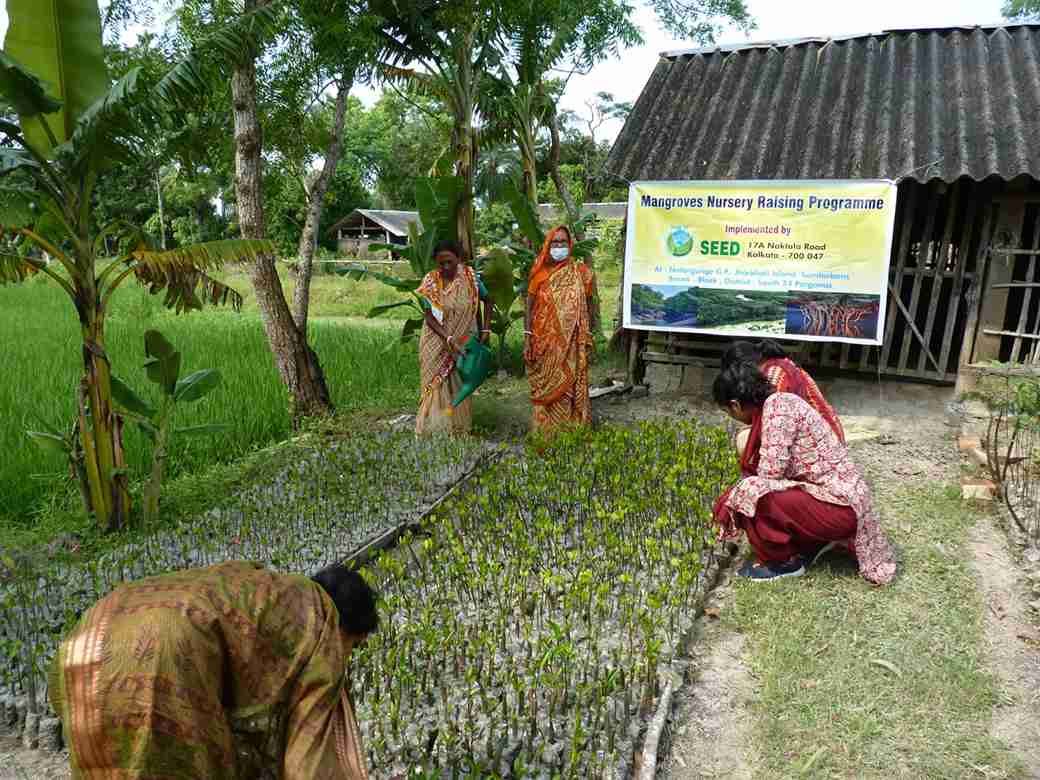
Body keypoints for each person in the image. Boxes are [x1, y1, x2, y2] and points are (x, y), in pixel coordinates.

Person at [49, 561, 378, 779]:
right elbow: (308, 762)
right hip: (167, 653)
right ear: (348, 626)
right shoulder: (323, 626)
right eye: (356, 646)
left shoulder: (263, 585)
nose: (348, 657)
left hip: (87, 639)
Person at [712, 363, 896, 584]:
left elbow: (770, 474)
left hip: (842, 508)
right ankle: (811, 542)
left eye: (727, 411)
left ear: (735, 405)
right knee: (750, 489)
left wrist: (735, 495)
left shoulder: (776, 409)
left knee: (752, 493)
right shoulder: (781, 402)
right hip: (842, 501)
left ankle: (783, 562)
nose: (731, 416)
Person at [524, 225, 600, 434]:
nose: (559, 246)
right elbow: (529, 306)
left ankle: (569, 433)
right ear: (548, 245)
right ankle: (545, 435)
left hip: (573, 345)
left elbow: (588, 305)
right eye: (555, 242)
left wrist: (587, 334)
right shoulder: (539, 274)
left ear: (570, 245)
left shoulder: (581, 273)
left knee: (569, 387)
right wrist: (527, 337)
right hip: (544, 344)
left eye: (563, 243)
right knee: (545, 386)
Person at [415, 239, 490, 435]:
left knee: (459, 381)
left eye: (450, 262)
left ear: (459, 259)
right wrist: (448, 339)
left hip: (465, 340)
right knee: (435, 384)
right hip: (435, 341)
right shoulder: (430, 282)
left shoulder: (471, 279)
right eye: (441, 263)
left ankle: (457, 427)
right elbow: (429, 316)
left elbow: (487, 301)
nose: (446, 267)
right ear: (435, 262)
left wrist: (485, 330)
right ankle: (431, 429)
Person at [721, 339, 845, 443]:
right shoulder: (780, 366)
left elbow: (776, 424)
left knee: (748, 440)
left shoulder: (774, 376)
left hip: (824, 443)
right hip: (822, 437)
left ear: (745, 367)